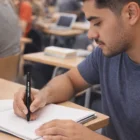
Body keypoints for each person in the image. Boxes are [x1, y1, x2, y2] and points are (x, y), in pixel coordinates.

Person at [13, 0, 140, 139]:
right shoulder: (107, 54)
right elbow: (71, 80)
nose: (90, 35)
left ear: (131, 13)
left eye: (97, 23)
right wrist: (42, 96)